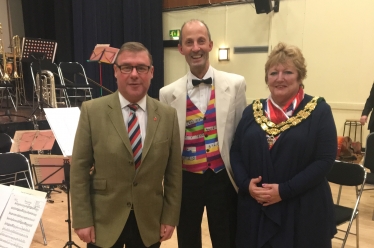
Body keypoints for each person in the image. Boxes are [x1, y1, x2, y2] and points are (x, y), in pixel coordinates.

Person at [70, 42, 182, 248]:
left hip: (149, 221)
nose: (134, 74)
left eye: (141, 68)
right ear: (115, 71)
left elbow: (174, 173)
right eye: (126, 67)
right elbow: (79, 170)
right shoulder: (92, 111)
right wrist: (82, 219)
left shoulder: (168, 115)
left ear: (151, 72)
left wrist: (170, 217)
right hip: (103, 220)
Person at [230, 42, 337, 248]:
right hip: (256, 209)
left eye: (288, 72)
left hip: (302, 209)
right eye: (273, 73)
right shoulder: (252, 111)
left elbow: (324, 160)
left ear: (299, 76)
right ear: (266, 78)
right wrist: (246, 185)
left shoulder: (319, 111)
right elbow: (236, 152)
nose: (279, 78)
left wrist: (285, 190)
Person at [159, 19, 247, 248]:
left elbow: (240, 136)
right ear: (181, 49)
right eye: (189, 42)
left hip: (223, 177)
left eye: (200, 41)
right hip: (186, 179)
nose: (195, 47)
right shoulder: (167, 93)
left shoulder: (236, 84)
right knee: (187, 239)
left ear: (210, 45)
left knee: (226, 237)